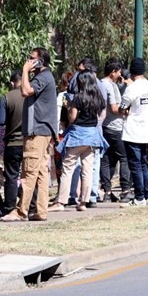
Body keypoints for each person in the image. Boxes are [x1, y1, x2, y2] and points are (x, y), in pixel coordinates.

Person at [2, 47, 58, 222]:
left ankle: (21, 211)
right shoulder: (44, 77)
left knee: (28, 171)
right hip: (42, 131)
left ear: (41, 61)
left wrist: (25, 71)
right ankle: (41, 211)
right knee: (41, 172)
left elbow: (25, 91)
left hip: (37, 132)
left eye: (32, 59)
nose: (28, 61)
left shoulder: (43, 77)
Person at [51, 71, 107, 212]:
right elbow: (98, 115)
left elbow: (72, 118)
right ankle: (83, 202)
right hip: (92, 136)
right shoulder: (98, 98)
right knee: (87, 170)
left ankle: (61, 201)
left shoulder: (77, 98)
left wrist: (68, 106)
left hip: (77, 135)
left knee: (67, 168)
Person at [119, 58, 148, 208]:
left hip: (133, 130)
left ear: (132, 71)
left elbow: (122, 108)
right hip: (145, 130)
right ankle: (147, 195)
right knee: (143, 163)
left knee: (135, 165)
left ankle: (139, 197)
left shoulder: (132, 88)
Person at [99, 58, 131, 202]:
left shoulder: (99, 83)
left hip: (104, 126)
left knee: (107, 159)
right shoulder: (110, 85)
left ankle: (107, 190)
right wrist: (125, 110)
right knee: (124, 158)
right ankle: (125, 189)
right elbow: (113, 108)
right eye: (118, 72)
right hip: (115, 126)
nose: (120, 75)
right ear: (112, 72)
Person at [0, 71, 25, 215]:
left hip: (12, 143)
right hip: (29, 143)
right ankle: (30, 206)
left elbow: (0, 121)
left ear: (12, 83)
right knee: (30, 176)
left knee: (11, 176)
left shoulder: (6, 97)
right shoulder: (31, 96)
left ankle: (10, 208)